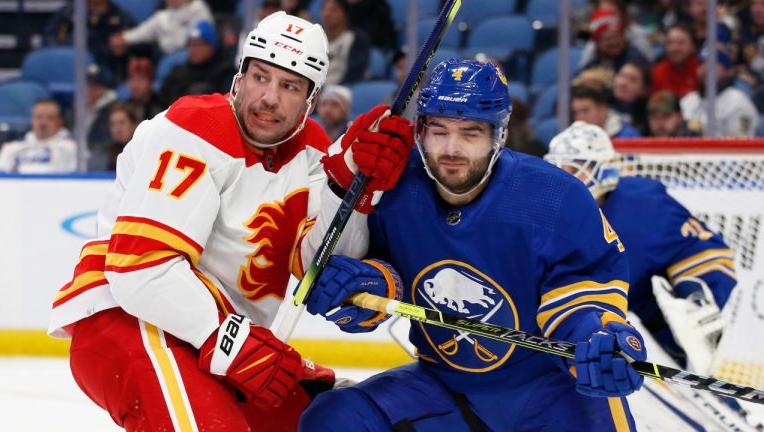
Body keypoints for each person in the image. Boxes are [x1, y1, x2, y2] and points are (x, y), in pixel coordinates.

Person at [48, 11, 413, 431]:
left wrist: (351, 184)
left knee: (346, 421)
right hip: (129, 321)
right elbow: (141, 270)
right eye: (260, 76)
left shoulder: (313, 151)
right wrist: (229, 338)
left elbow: (322, 266)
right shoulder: (195, 127)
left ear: (311, 100)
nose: (269, 98)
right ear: (239, 76)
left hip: (222, 340)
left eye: (289, 86)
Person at [300, 59, 645, 431]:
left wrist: (596, 338)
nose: (452, 149)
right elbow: (387, 268)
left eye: (470, 133)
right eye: (439, 130)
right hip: (445, 386)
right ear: (420, 131)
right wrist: (366, 284)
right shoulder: (396, 184)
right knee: (335, 419)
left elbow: (585, 290)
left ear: (499, 134)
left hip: (548, 392)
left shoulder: (555, 196)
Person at [544, 121, 734, 373]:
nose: (563, 176)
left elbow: (709, 254)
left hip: (645, 304)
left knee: (685, 328)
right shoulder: (549, 213)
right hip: (601, 311)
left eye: (573, 167)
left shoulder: (642, 202)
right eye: (558, 167)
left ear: (603, 169)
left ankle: (706, 376)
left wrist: (695, 299)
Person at [681, 48, 760, 137]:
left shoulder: (739, 102)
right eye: (701, 64)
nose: (705, 68)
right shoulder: (688, 99)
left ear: (728, 71)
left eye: (713, 64)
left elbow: (740, 145)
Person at [158, 20, 236, 105]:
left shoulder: (225, 72)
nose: (193, 49)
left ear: (211, 46)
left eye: (198, 44)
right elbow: (162, 100)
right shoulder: (178, 72)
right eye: (190, 44)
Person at [0, 98, 77, 173]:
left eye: (50, 118)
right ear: (32, 120)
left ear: (60, 121)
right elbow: (0, 175)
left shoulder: (73, 148)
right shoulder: (13, 148)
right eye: (39, 117)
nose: (43, 123)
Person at [109, 0, 213, 58]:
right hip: (167, 57)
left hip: (191, 53)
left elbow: (205, 34)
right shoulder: (162, 17)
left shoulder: (198, 8)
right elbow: (141, 32)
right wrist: (123, 38)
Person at [320, 0, 370, 85]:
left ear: (345, 14)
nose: (327, 14)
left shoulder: (355, 38)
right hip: (316, 88)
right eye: (324, 9)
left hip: (342, 89)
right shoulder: (317, 38)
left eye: (333, 10)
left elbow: (355, 72)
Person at [571, 85, 641, 138]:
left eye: (585, 111)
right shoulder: (572, 138)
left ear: (603, 109)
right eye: (576, 112)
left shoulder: (628, 136)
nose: (580, 117)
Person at [650, 24, 699, 98]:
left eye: (681, 43)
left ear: (692, 47)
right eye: (670, 43)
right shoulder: (657, 72)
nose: (674, 48)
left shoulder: (701, 71)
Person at [125, 57, 164, 122]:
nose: (134, 86)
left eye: (139, 80)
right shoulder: (125, 107)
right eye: (132, 80)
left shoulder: (160, 109)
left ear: (150, 83)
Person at [106, 102, 139, 170]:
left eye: (122, 122)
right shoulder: (105, 155)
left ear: (133, 125)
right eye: (113, 124)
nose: (117, 129)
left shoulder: (141, 152)